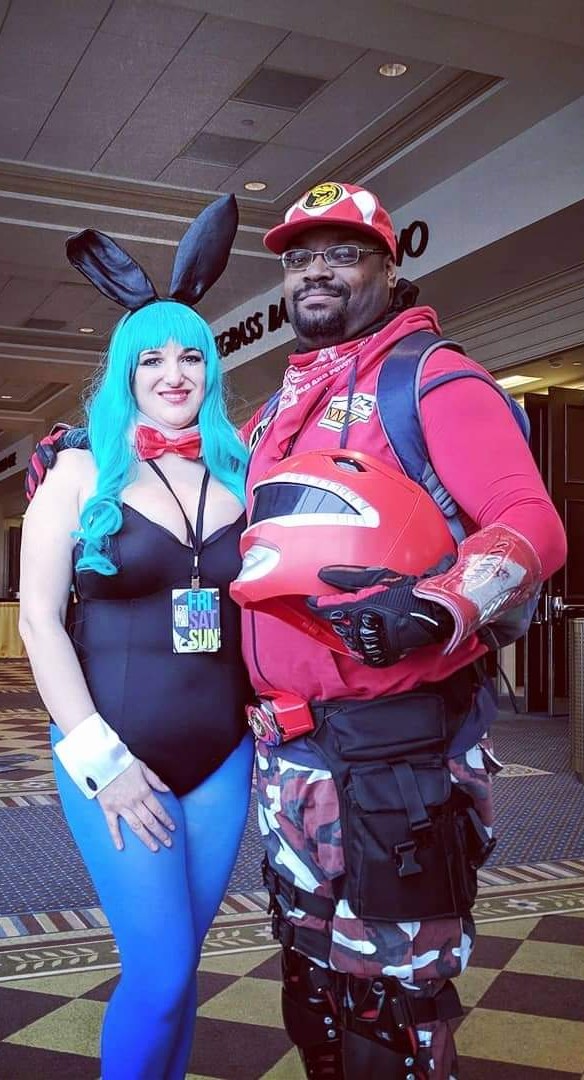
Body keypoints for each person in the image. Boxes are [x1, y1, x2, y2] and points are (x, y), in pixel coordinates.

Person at [26, 182, 567, 1080]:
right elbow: (64, 594)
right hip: (285, 756)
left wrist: (441, 602)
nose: (318, 270)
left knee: (392, 996)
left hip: (391, 754)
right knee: (314, 984)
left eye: (344, 253)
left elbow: (531, 523)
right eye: (301, 257)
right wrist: (80, 447)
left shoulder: (427, 376)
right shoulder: (273, 419)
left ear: (390, 266)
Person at [18, 195, 254, 1080]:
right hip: (111, 751)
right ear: (125, 371)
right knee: (157, 976)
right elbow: (38, 619)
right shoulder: (79, 471)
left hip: (224, 755)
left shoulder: (241, 474)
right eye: (151, 357)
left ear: (211, 370)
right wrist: (100, 760)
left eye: (190, 355)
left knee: (183, 973)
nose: (173, 372)